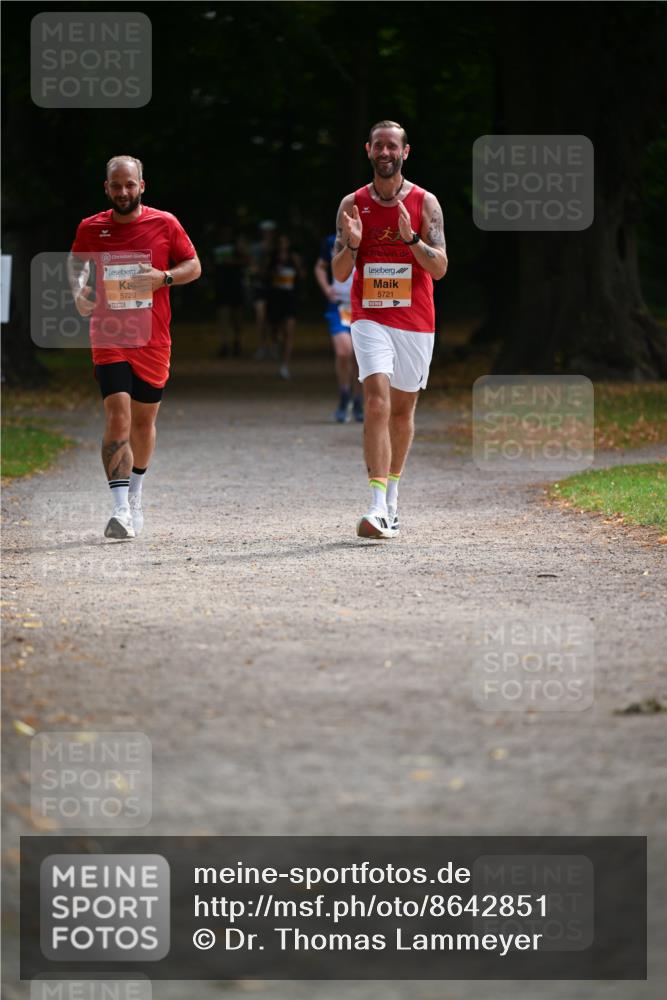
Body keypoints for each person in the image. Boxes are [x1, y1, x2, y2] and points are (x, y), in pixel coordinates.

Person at [70, 155, 201, 540]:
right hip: (109, 335)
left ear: (141, 186)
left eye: (130, 185)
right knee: (118, 417)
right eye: (116, 185)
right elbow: (76, 265)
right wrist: (78, 291)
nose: (123, 192)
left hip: (153, 339)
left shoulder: (165, 223)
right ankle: (120, 508)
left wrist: (164, 277)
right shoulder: (91, 228)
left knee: (144, 423)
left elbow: (193, 265)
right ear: (106, 188)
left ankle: (136, 494)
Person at [331, 120, 448, 539]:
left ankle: (393, 498)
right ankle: (376, 504)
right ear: (368, 150)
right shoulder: (352, 204)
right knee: (376, 401)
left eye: (391, 147)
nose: (385, 152)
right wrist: (356, 243)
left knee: (402, 411)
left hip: (415, 320)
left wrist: (412, 239)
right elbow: (340, 271)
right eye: (378, 146)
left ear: (405, 152)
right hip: (370, 315)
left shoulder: (425, 202)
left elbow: (439, 268)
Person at [314, 234, 364, 423]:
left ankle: (358, 401)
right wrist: (327, 289)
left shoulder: (371, 237)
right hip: (340, 306)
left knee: (360, 357)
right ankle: (344, 396)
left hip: (363, 305)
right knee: (344, 351)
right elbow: (319, 267)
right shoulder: (332, 241)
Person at [266, 233, 303, 379]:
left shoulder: (294, 258)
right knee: (276, 330)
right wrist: (273, 272)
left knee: (289, 331)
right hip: (275, 297)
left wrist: (297, 269)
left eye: (285, 242)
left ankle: (285, 364)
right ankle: (277, 348)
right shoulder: (272, 258)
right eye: (280, 242)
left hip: (290, 298)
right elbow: (264, 273)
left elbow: (302, 275)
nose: (282, 245)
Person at [212, 224, 247, 357]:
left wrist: (232, 262)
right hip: (221, 285)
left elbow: (246, 260)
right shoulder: (214, 246)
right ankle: (224, 345)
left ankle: (237, 343)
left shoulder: (237, 246)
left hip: (235, 285)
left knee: (237, 316)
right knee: (223, 316)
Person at [249, 220, 276, 360]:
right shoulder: (255, 248)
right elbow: (252, 267)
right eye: (265, 231)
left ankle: (272, 345)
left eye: (270, 231)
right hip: (259, 286)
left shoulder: (277, 248)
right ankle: (262, 346)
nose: (268, 234)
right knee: (260, 317)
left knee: (272, 319)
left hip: (275, 288)